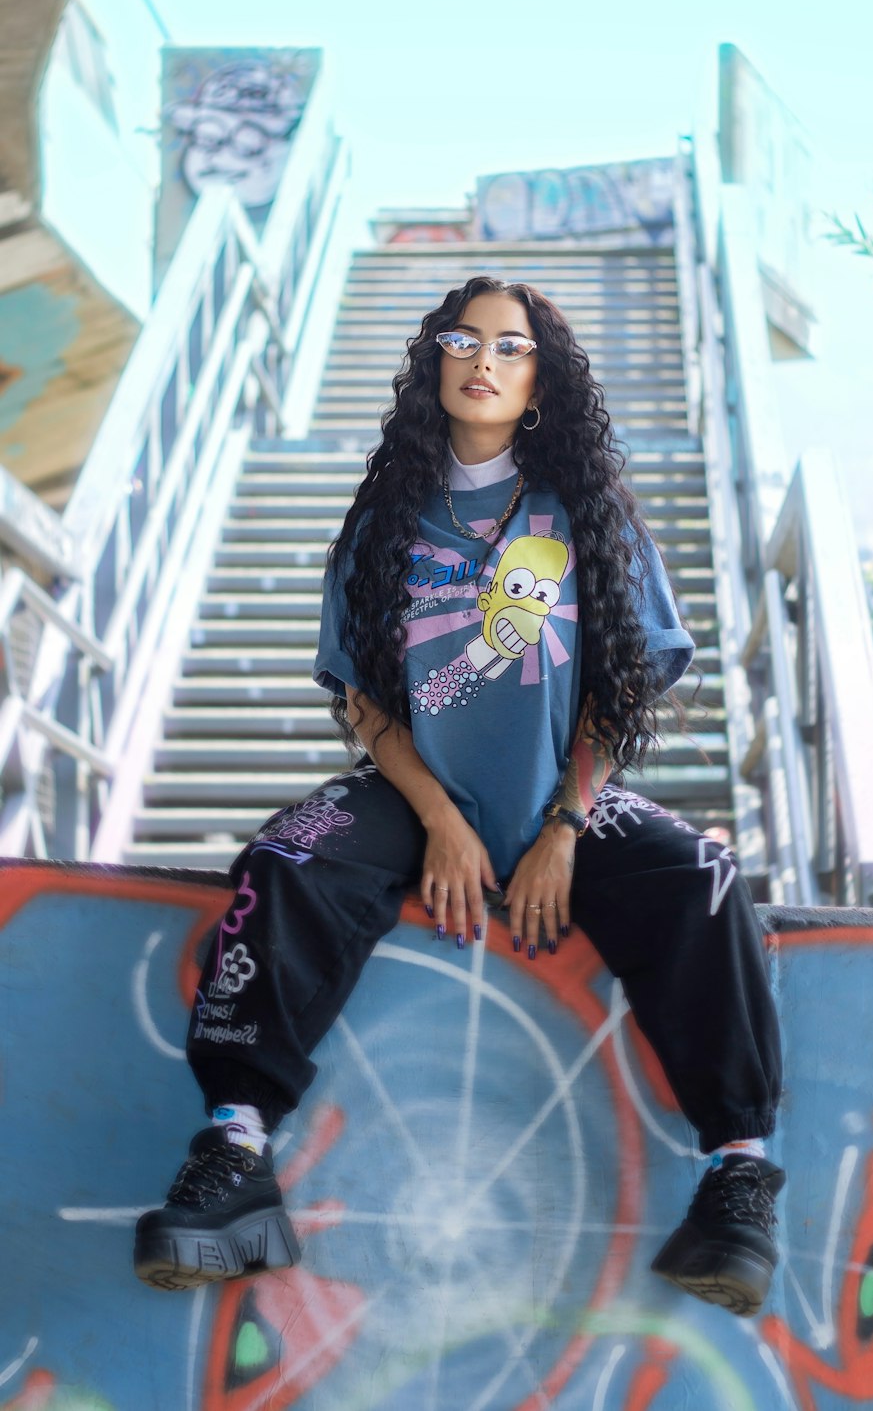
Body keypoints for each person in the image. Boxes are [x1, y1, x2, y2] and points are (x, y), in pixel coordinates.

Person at [134, 276, 784, 1317]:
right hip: (411, 786)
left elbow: (620, 687)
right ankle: (235, 1156)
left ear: (538, 384)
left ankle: (738, 1179)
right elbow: (358, 697)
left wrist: (565, 825)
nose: (482, 358)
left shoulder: (587, 514)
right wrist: (437, 815)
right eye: (461, 339)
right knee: (283, 860)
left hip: (559, 794)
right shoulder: (386, 514)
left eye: (511, 347)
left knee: (701, 874)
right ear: (434, 363)